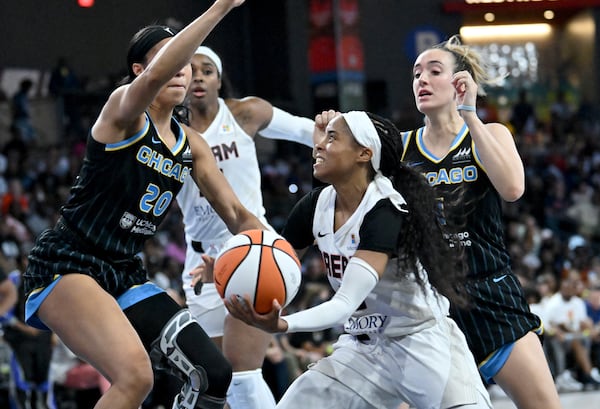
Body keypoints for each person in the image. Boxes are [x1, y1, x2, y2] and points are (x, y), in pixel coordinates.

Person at [21, 2, 266, 409]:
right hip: (70, 262)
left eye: (186, 65)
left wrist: (279, 255)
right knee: (135, 378)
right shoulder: (124, 112)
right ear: (140, 71)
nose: (182, 69)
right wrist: (221, 6)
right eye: (174, 60)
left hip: (125, 272)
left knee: (214, 374)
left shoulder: (193, 145)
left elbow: (240, 217)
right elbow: (157, 73)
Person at [225, 109, 492, 408]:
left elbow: (343, 305)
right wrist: (233, 267)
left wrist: (284, 324)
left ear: (364, 153)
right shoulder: (314, 206)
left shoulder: (386, 210)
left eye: (332, 138)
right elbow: (277, 264)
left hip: (421, 342)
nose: (318, 145)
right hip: (362, 349)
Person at [399, 35, 561, 408]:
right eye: (416, 73)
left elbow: (513, 189)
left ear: (460, 82)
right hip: (432, 307)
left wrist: (470, 114)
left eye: (434, 71)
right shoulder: (402, 150)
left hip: (492, 296)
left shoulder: (490, 135)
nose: (421, 80)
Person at [178, 46, 314, 409]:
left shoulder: (244, 112)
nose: (199, 76)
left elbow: (307, 131)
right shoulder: (169, 133)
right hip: (200, 258)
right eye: (191, 70)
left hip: (253, 248)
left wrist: (342, 128)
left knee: (242, 375)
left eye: (207, 70)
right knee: (216, 379)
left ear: (219, 80)